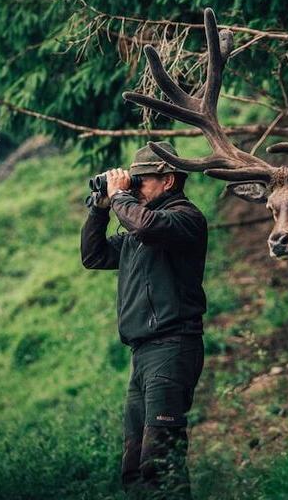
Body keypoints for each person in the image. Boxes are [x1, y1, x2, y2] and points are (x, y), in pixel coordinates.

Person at [81, 141, 207, 499]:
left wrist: (121, 197)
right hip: (143, 355)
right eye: (131, 182)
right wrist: (101, 210)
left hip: (172, 347)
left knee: (160, 461)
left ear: (168, 180)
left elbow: (148, 226)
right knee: (134, 467)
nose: (134, 187)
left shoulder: (184, 219)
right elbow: (94, 255)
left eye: (141, 181)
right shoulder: (139, 232)